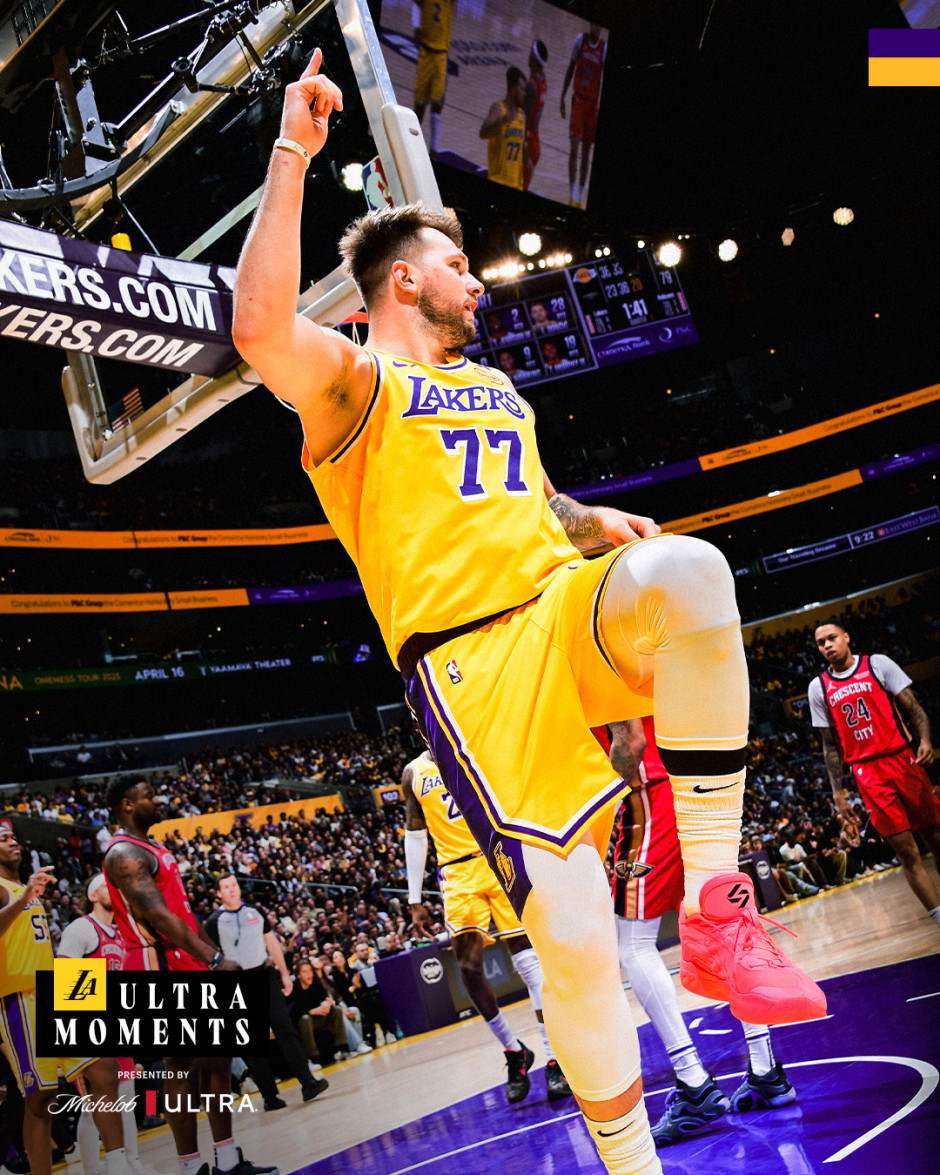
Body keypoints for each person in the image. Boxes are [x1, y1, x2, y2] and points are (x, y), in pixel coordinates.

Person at [231, 51, 825, 1174]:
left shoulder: (497, 389)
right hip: (472, 664)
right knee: (580, 947)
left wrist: (592, 518)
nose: (481, 283)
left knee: (693, 572)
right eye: (460, 266)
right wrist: (294, 151)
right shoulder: (357, 387)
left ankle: (717, 908)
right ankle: (634, 1163)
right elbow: (259, 329)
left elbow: (533, 501)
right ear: (405, 281)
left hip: (557, 604)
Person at [599, 718, 796, 1147]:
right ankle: (766, 1071)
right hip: (702, 787)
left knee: (633, 943)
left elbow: (630, 739)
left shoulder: (595, 671)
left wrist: (603, 800)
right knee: (722, 925)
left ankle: (694, 1084)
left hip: (652, 799)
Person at [102, 776, 276, 1175]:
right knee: (182, 1067)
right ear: (127, 804)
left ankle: (227, 1160)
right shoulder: (123, 852)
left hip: (187, 956)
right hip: (158, 961)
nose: (158, 799)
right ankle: (190, 1167)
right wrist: (213, 960)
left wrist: (214, 958)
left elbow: (181, 913)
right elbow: (158, 916)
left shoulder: (153, 847)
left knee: (218, 1059)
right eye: (149, 795)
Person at [403, 751, 571, 1102]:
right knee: (468, 968)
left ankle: (555, 1058)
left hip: (496, 854)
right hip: (456, 873)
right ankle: (514, 1051)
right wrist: (415, 898)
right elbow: (415, 834)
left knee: (528, 960)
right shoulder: (413, 773)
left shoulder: (476, 747)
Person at [0, 827, 130, 1175]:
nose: (13, 841)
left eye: (13, 837)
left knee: (105, 1068)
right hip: (20, 996)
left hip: (58, 986)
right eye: (3, 839)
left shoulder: (25, 887)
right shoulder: (8, 890)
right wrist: (24, 897)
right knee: (41, 1098)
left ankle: (119, 1164)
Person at [809, 620, 940, 929]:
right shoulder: (818, 687)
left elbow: (913, 707)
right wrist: (837, 792)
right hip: (867, 772)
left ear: (846, 637)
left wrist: (925, 740)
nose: (827, 645)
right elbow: (829, 744)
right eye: (820, 643)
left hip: (903, 759)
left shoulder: (877, 664)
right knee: (906, 852)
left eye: (831, 638)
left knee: (935, 837)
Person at [203, 874, 329, 1110]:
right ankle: (270, 1097)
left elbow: (272, 943)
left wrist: (284, 974)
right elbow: (209, 956)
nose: (231, 890)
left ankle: (308, 1082)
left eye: (234, 885)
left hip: (265, 975)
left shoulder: (256, 912)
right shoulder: (214, 922)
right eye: (226, 887)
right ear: (218, 893)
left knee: (285, 1028)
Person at [57, 874, 146, 1175]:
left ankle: (131, 1161)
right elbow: (65, 979)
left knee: (126, 1095)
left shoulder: (120, 933)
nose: (115, 892)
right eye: (107, 887)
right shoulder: (81, 927)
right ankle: (92, 1169)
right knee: (92, 1105)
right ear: (93, 896)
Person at [560, 23, 607, 207]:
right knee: (574, 149)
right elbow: (571, 68)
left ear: (601, 29)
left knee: (586, 155)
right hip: (578, 101)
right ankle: (572, 195)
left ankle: (579, 197)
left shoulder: (604, 49)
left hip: (592, 106)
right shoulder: (581, 40)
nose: (595, 27)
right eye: (593, 24)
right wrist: (563, 96)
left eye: (598, 26)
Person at [412, 0, 453, 155]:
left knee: (437, 104)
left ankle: (433, 149)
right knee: (419, 105)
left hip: (441, 56)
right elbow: (416, 3)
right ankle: (412, 140)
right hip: (426, 53)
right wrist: (416, 25)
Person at [479, 66, 527, 190]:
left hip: (517, 185)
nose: (525, 94)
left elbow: (521, 152)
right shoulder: (498, 109)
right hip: (498, 180)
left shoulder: (522, 116)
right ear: (513, 91)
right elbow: (483, 133)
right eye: (522, 90)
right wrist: (501, 122)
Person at [522, 40, 549, 191]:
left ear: (534, 58)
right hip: (535, 141)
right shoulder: (542, 80)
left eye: (531, 52)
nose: (528, 55)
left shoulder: (531, 85)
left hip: (528, 142)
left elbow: (525, 119)